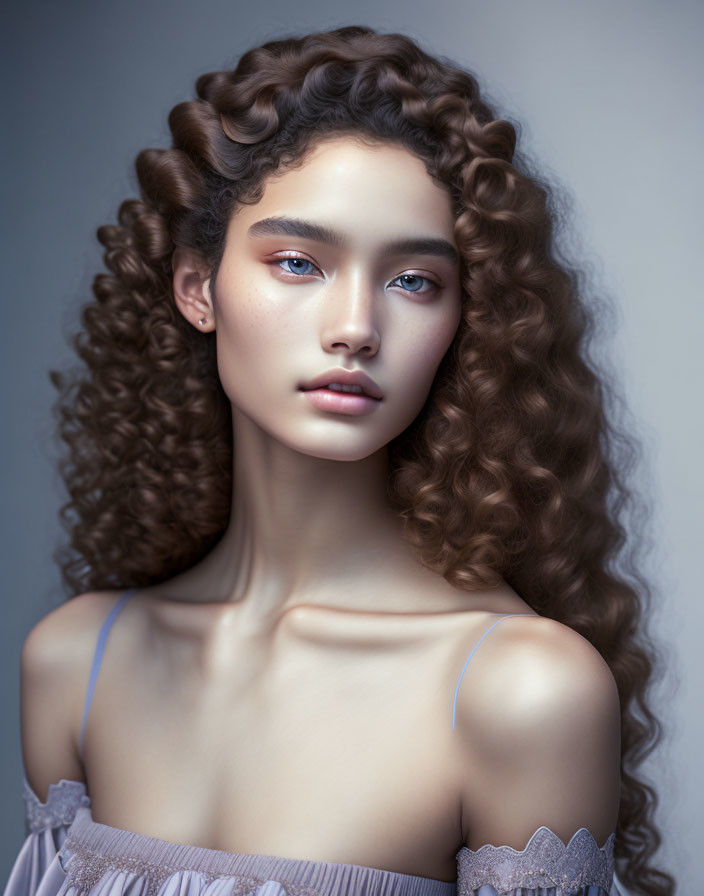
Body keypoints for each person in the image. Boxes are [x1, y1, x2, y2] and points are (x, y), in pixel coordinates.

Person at [3, 24, 674, 896]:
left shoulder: (520, 694)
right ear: (198, 289)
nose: (355, 326)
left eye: (413, 281)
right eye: (297, 262)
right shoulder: (74, 664)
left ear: (466, 320)